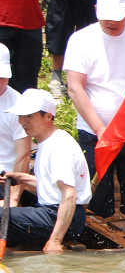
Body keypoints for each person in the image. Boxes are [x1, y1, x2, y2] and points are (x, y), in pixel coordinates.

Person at [64, 0, 125, 240]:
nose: (110, 23)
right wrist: (101, 129)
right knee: (97, 200)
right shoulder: (81, 40)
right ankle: (100, 256)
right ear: (95, 10)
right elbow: (75, 88)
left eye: (116, 18)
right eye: (105, 17)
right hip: (96, 135)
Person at [2, 88, 91, 252]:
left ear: (48, 116)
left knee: (2, 216)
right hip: (51, 212)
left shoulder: (59, 146)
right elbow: (51, 185)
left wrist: (55, 240)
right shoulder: (47, 142)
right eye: (21, 116)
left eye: (29, 116)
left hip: (62, 217)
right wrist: (20, 178)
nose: (23, 122)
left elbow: (69, 195)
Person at [0, 44, 30, 205]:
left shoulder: (17, 104)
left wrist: (14, 197)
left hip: (4, 178)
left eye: (2, 78)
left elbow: (23, 154)